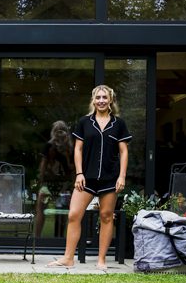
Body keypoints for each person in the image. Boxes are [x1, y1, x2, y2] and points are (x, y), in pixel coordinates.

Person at [48, 85, 130, 272]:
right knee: (74, 215)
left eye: (104, 97)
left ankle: (101, 260)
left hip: (110, 178)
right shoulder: (85, 122)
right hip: (86, 178)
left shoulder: (119, 124)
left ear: (111, 100)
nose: (101, 100)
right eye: (98, 97)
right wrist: (79, 173)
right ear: (93, 100)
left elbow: (124, 151)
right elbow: (78, 149)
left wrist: (122, 176)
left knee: (106, 216)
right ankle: (68, 258)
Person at [34, 120, 73, 237]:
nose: (59, 134)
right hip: (50, 182)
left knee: (62, 211)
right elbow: (43, 165)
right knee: (41, 207)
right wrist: (41, 181)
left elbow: (73, 167)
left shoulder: (70, 148)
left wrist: (66, 154)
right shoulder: (49, 146)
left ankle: (59, 238)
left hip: (64, 183)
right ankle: (37, 237)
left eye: (62, 131)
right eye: (57, 131)